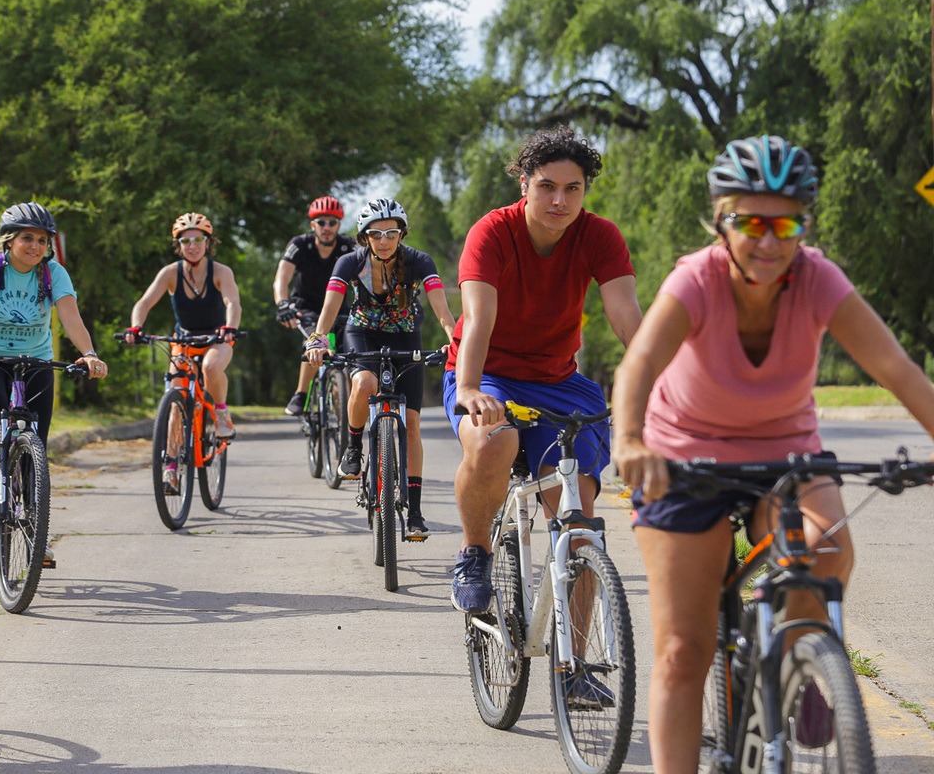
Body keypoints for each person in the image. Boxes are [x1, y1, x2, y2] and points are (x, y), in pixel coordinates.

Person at [610, 135, 934, 773]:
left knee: (827, 549)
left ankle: (793, 655)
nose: (768, 240)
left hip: (786, 452)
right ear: (721, 222)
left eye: (785, 224)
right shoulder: (697, 279)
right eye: (751, 223)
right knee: (682, 650)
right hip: (684, 458)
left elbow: (897, 369)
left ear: (803, 226)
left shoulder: (816, 278)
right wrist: (629, 440)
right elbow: (638, 365)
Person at [444, 125, 642, 630]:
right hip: (488, 372)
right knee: (494, 441)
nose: (560, 200)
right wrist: (469, 389)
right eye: (547, 186)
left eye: (572, 189)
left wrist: (666, 385)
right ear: (524, 185)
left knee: (579, 522)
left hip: (558, 380)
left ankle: (576, 660)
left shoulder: (599, 236)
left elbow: (627, 319)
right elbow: (479, 318)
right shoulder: (492, 232)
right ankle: (475, 552)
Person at [305, 197, 456, 537]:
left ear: (402, 234)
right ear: (364, 237)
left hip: (406, 335)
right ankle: (353, 448)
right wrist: (318, 339)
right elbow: (331, 307)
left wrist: (455, 341)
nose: (384, 241)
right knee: (364, 384)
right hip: (361, 333)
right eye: (376, 234)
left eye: (392, 233)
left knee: (412, 423)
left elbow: (443, 311)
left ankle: (414, 513)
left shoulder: (419, 261)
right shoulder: (349, 262)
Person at [0, 202, 109, 495]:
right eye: (27, 238)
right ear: (9, 240)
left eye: (42, 240)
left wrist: (90, 354)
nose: (35, 246)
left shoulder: (53, 273)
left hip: (36, 359)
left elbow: (71, 317)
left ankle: (31, 513)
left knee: (37, 435)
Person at [128, 211, 242, 458]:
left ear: (208, 243)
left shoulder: (221, 272)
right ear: (178, 245)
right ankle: (170, 465)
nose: (192, 246)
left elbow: (232, 303)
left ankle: (221, 413)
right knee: (176, 400)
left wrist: (231, 327)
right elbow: (144, 303)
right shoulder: (170, 273)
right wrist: (136, 327)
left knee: (211, 368)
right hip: (183, 341)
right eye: (185, 241)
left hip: (217, 338)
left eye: (198, 240)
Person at [274, 196, 356, 415]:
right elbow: (281, 278)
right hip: (305, 308)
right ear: (313, 225)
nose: (326, 227)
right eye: (321, 222)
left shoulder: (349, 246)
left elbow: (367, 275)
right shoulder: (300, 244)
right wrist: (283, 304)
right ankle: (301, 394)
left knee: (346, 356)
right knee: (313, 343)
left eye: (332, 222)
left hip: (339, 309)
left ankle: (345, 413)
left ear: (339, 225)